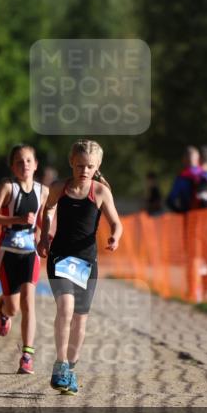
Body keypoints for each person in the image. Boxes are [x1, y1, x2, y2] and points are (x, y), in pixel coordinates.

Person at [38, 140, 123, 395]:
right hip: (60, 258)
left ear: (97, 166)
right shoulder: (59, 188)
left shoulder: (100, 192)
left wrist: (115, 237)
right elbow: (47, 209)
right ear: (71, 163)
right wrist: (44, 236)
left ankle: (71, 368)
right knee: (65, 308)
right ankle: (60, 364)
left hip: (87, 262)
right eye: (79, 165)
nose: (84, 170)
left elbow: (116, 222)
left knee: (80, 320)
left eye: (89, 166)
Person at [0, 145, 49, 375]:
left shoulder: (43, 191)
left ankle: (27, 356)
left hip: (30, 252)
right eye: (20, 162)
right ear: (13, 167)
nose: (25, 165)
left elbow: (44, 221)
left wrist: (46, 238)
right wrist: (17, 219)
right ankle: (3, 309)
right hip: (7, 250)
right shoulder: (8, 187)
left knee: (28, 302)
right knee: (13, 309)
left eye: (29, 161)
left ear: (36, 164)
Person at [166, 146, 207, 303]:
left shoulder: (182, 178)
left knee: (194, 258)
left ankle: (194, 293)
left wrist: (183, 212)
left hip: (192, 223)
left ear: (184, 160)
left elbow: (170, 200)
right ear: (198, 160)